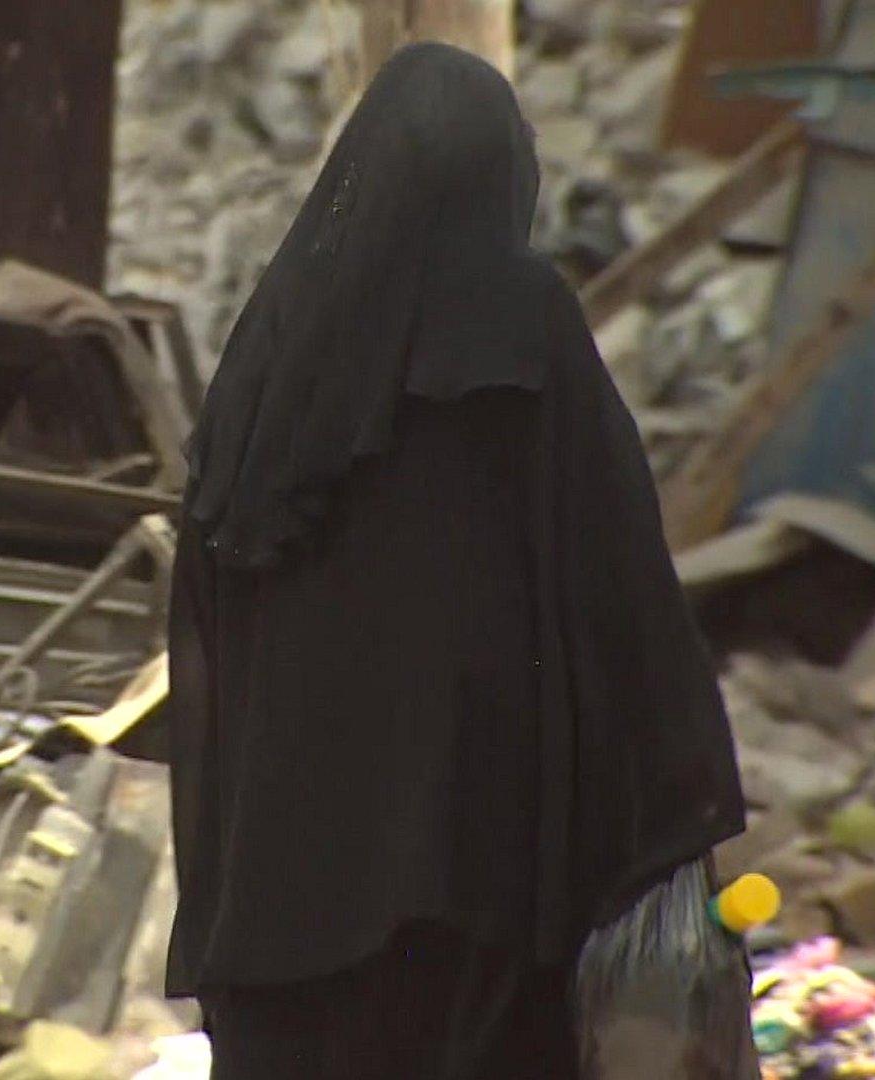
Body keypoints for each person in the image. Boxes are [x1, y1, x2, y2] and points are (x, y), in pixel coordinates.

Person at [164, 43, 748, 1079]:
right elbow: (620, 587)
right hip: (485, 878)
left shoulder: (276, 358)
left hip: (289, 896)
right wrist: (673, 801)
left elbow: (215, 604)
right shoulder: (522, 326)